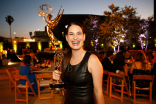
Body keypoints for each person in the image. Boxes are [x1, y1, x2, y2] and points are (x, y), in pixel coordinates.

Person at [53, 22, 105, 104]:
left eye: (79, 33)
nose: (75, 37)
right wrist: (57, 78)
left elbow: (98, 91)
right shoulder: (65, 59)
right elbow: (66, 85)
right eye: (71, 34)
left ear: (84, 37)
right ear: (66, 38)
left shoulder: (92, 60)